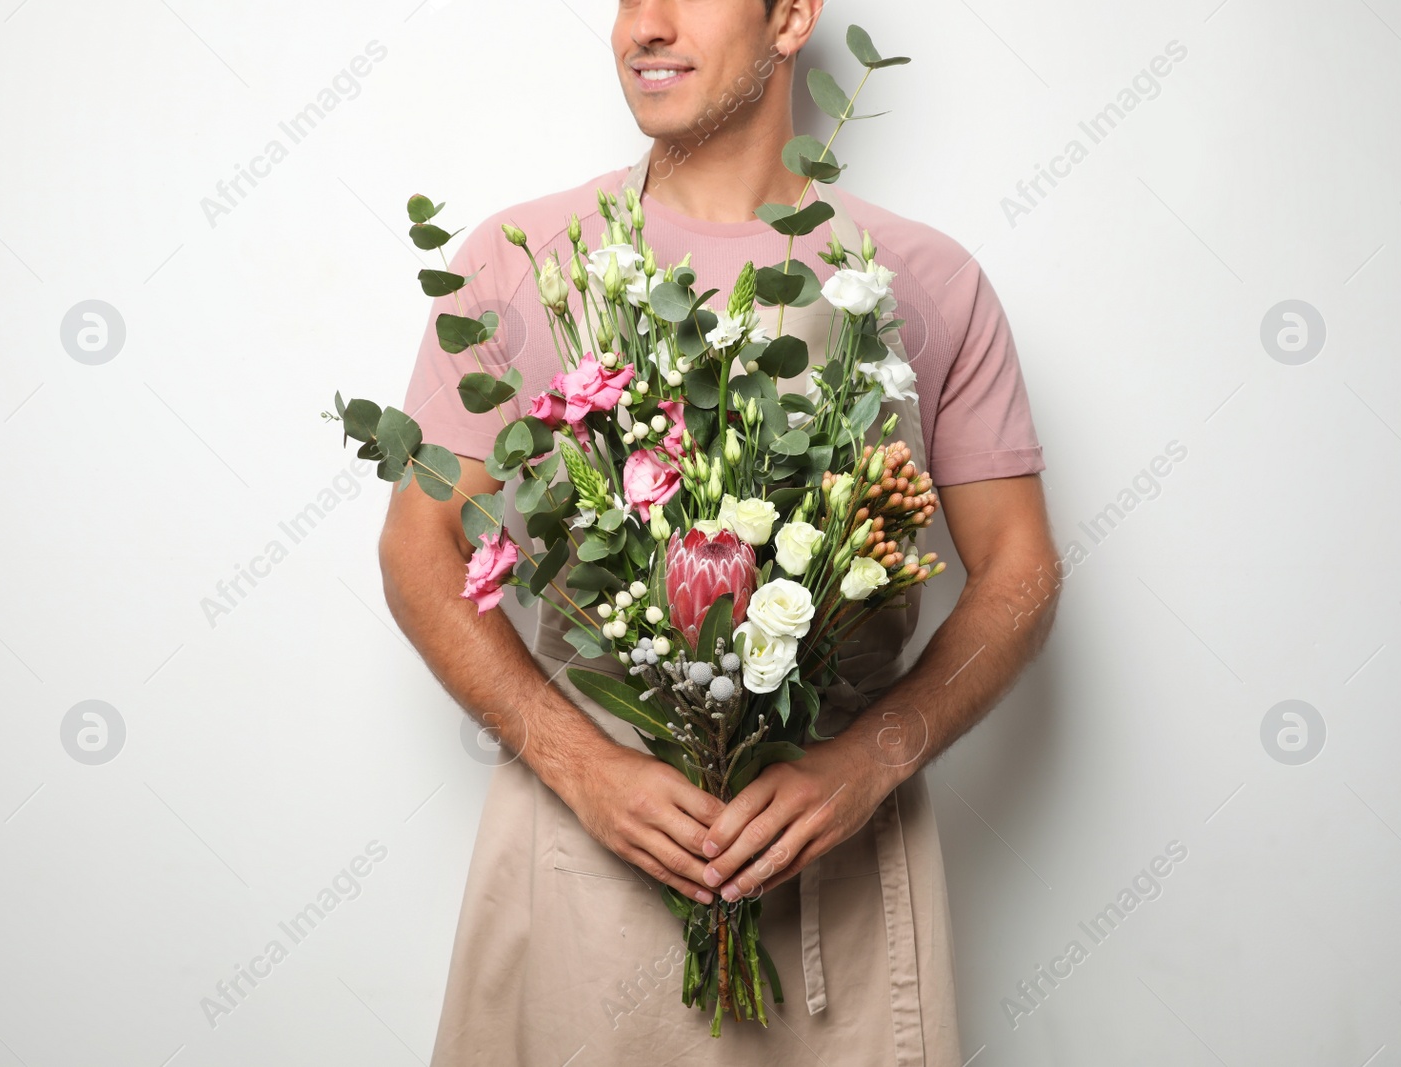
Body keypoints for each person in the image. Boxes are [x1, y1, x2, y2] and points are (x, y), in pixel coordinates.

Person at [380, 0, 1061, 1062]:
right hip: (581, 861)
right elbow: (418, 548)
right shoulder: (521, 264)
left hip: (831, 871)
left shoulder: (918, 276)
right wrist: (580, 765)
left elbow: (1019, 570)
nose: (643, 24)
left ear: (792, 17)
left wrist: (870, 759)